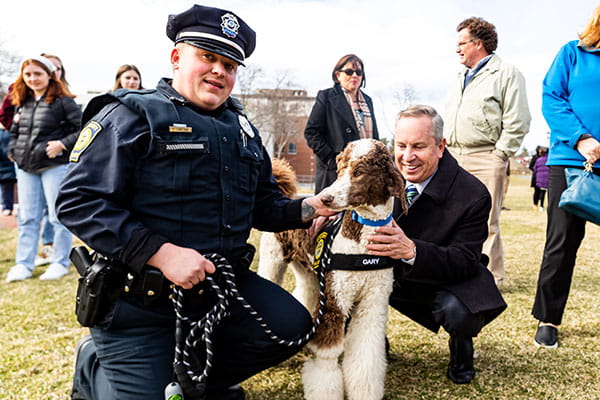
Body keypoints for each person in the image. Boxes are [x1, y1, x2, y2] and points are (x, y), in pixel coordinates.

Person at [56, 5, 335, 400]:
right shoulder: (132, 115)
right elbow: (77, 201)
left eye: (230, 64)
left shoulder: (242, 129)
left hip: (217, 291)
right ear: (176, 57)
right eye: (207, 56)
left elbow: (263, 204)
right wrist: (163, 254)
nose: (220, 71)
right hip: (141, 302)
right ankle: (97, 369)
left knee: (291, 327)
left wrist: (308, 208)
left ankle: (196, 380)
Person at [366, 105, 506, 384]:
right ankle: (371, 341)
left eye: (418, 146)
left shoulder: (473, 193)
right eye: (401, 145)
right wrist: (326, 214)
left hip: (446, 277)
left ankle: (461, 348)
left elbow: (465, 260)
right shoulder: (380, 178)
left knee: (458, 310)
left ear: (441, 147)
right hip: (390, 272)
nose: (407, 157)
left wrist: (412, 251)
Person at [444, 17, 531, 286]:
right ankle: (455, 272)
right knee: (451, 219)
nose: (456, 49)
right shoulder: (460, 76)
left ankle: (492, 279)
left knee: (486, 220)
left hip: (486, 157)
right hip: (453, 157)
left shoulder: (507, 73)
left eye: (461, 43)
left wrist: (500, 154)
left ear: (478, 43)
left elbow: (519, 119)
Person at [532, 5, 600, 349]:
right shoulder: (573, 53)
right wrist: (582, 138)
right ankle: (548, 319)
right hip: (570, 162)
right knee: (561, 244)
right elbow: (552, 98)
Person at [5, 56, 81, 282]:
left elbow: (84, 129)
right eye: (28, 74)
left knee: (58, 216)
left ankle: (60, 262)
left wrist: (62, 144)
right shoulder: (23, 102)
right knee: (27, 217)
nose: (33, 79)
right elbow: (15, 132)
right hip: (25, 167)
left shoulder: (64, 102)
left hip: (53, 167)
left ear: (49, 75)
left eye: (37, 74)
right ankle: (23, 264)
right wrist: (13, 151)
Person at [304, 54, 379, 194]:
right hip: (335, 172)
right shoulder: (326, 97)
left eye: (359, 72)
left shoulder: (368, 101)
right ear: (338, 75)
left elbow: (374, 137)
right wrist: (332, 160)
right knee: (332, 214)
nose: (354, 76)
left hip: (364, 173)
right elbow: (311, 132)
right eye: (349, 72)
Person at [34, 53, 72, 266]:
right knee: (34, 214)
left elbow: (78, 128)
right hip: (31, 162)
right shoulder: (28, 97)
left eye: (57, 68)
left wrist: (62, 144)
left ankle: (60, 257)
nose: (54, 72)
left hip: (56, 162)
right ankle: (45, 249)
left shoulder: (65, 99)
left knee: (55, 211)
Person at [0, 84, 17, 216]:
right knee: (6, 184)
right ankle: (7, 206)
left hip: (17, 159)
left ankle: (10, 207)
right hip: (6, 164)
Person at [529, 145, 546, 211]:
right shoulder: (535, 157)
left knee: (543, 191)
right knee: (536, 191)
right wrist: (536, 171)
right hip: (536, 177)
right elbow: (531, 166)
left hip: (543, 177)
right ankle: (535, 204)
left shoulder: (544, 157)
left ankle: (541, 205)